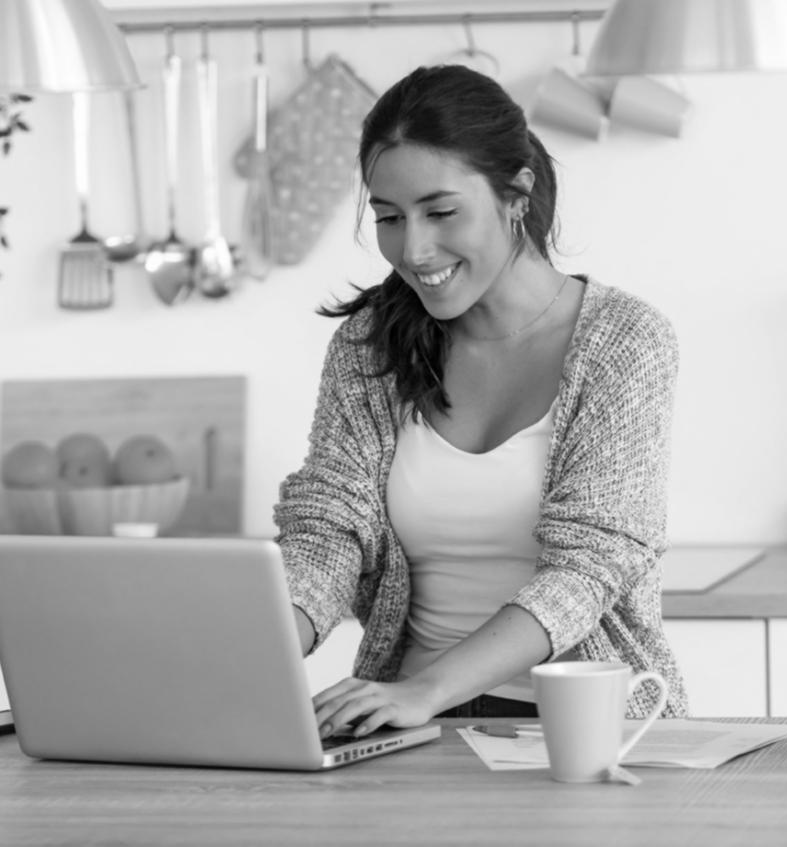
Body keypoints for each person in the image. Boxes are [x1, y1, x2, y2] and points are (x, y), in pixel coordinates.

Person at [273, 64, 684, 740]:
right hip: (410, 728)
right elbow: (329, 529)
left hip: (585, 734)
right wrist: (255, 648)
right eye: (388, 217)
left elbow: (590, 564)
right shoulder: (369, 344)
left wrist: (424, 690)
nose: (413, 249)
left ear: (515, 193)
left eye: (440, 212)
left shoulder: (625, 340)